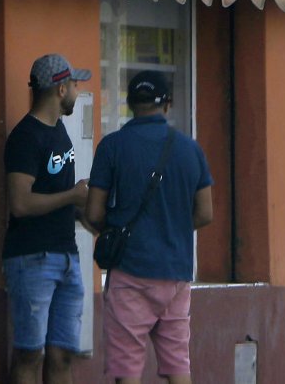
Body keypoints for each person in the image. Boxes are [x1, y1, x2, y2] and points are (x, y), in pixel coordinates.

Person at [87, 70, 214, 384]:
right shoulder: (190, 149)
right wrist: (172, 228)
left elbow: (93, 213)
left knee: (127, 367)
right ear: (167, 105)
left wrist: (114, 229)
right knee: (177, 364)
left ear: (130, 104)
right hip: (176, 274)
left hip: (129, 272)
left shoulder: (112, 146)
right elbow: (206, 213)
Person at [2, 54, 93, 384]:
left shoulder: (60, 132)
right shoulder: (26, 137)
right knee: (29, 354)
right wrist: (73, 196)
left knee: (63, 354)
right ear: (60, 88)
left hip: (67, 255)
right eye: (74, 85)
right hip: (32, 258)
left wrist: (89, 212)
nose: (77, 91)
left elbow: (57, 196)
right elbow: (20, 203)